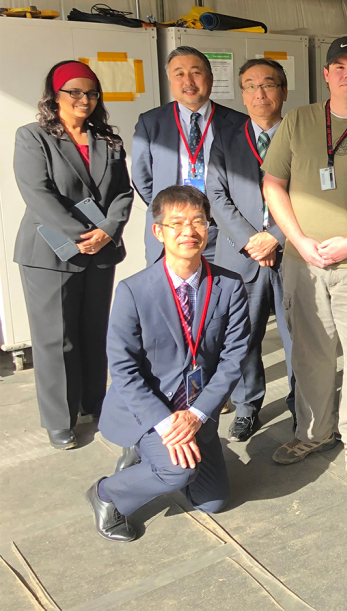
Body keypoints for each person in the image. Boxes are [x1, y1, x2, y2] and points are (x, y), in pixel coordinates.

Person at [262, 36, 347, 474]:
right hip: (304, 263)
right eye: (339, 67)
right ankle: (313, 432)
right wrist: (299, 242)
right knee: (310, 352)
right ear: (325, 75)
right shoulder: (298, 122)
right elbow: (273, 184)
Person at [88, 185, 249, 543]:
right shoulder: (133, 290)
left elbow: (234, 356)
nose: (188, 232)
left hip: (196, 410)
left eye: (198, 222)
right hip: (149, 411)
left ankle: (155, 462)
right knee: (177, 473)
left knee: (213, 501)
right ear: (158, 231)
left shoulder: (230, 285)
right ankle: (107, 493)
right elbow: (124, 369)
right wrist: (164, 424)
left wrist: (196, 415)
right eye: (176, 223)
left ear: (209, 228)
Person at [14, 60, 134, 450]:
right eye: (75, 92)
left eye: (92, 93)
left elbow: (122, 193)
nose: (85, 99)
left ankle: (93, 403)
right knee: (56, 338)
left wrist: (107, 231)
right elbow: (38, 193)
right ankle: (59, 419)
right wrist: (84, 233)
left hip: (99, 250)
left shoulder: (108, 141)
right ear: (56, 95)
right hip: (50, 251)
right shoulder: (33, 137)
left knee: (91, 331)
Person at [207, 58, 295, 442]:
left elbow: (310, 193)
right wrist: (250, 239)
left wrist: (275, 235)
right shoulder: (226, 137)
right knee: (242, 337)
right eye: (250, 86)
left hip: (293, 252)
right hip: (241, 257)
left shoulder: (300, 135)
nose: (260, 94)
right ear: (242, 94)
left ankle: (303, 405)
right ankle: (247, 406)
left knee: (300, 336)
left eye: (268, 85)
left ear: (284, 91)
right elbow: (215, 193)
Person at [132, 46, 248, 265]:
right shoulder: (150, 122)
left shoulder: (239, 123)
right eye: (179, 74)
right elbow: (142, 178)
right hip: (173, 232)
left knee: (223, 293)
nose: (188, 81)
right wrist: (173, 212)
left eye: (196, 72)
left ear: (210, 78)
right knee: (174, 297)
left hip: (222, 230)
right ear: (170, 80)